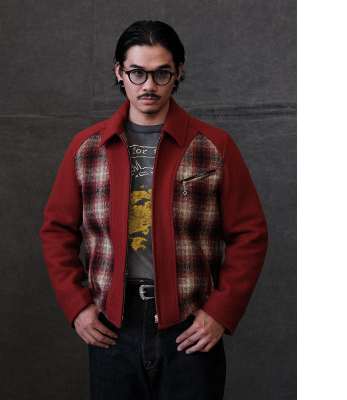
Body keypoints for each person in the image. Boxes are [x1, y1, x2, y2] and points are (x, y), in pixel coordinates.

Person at [40, 20, 268, 400]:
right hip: (112, 325)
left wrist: (221, 310)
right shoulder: (87, 148)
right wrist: (76, 305)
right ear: (119, 72)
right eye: (137, 73)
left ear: (178, 72)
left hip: (189, 327)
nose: (149, 85)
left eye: (161, 73)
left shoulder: (214, 146)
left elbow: (250, 233)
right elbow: (57, 230)